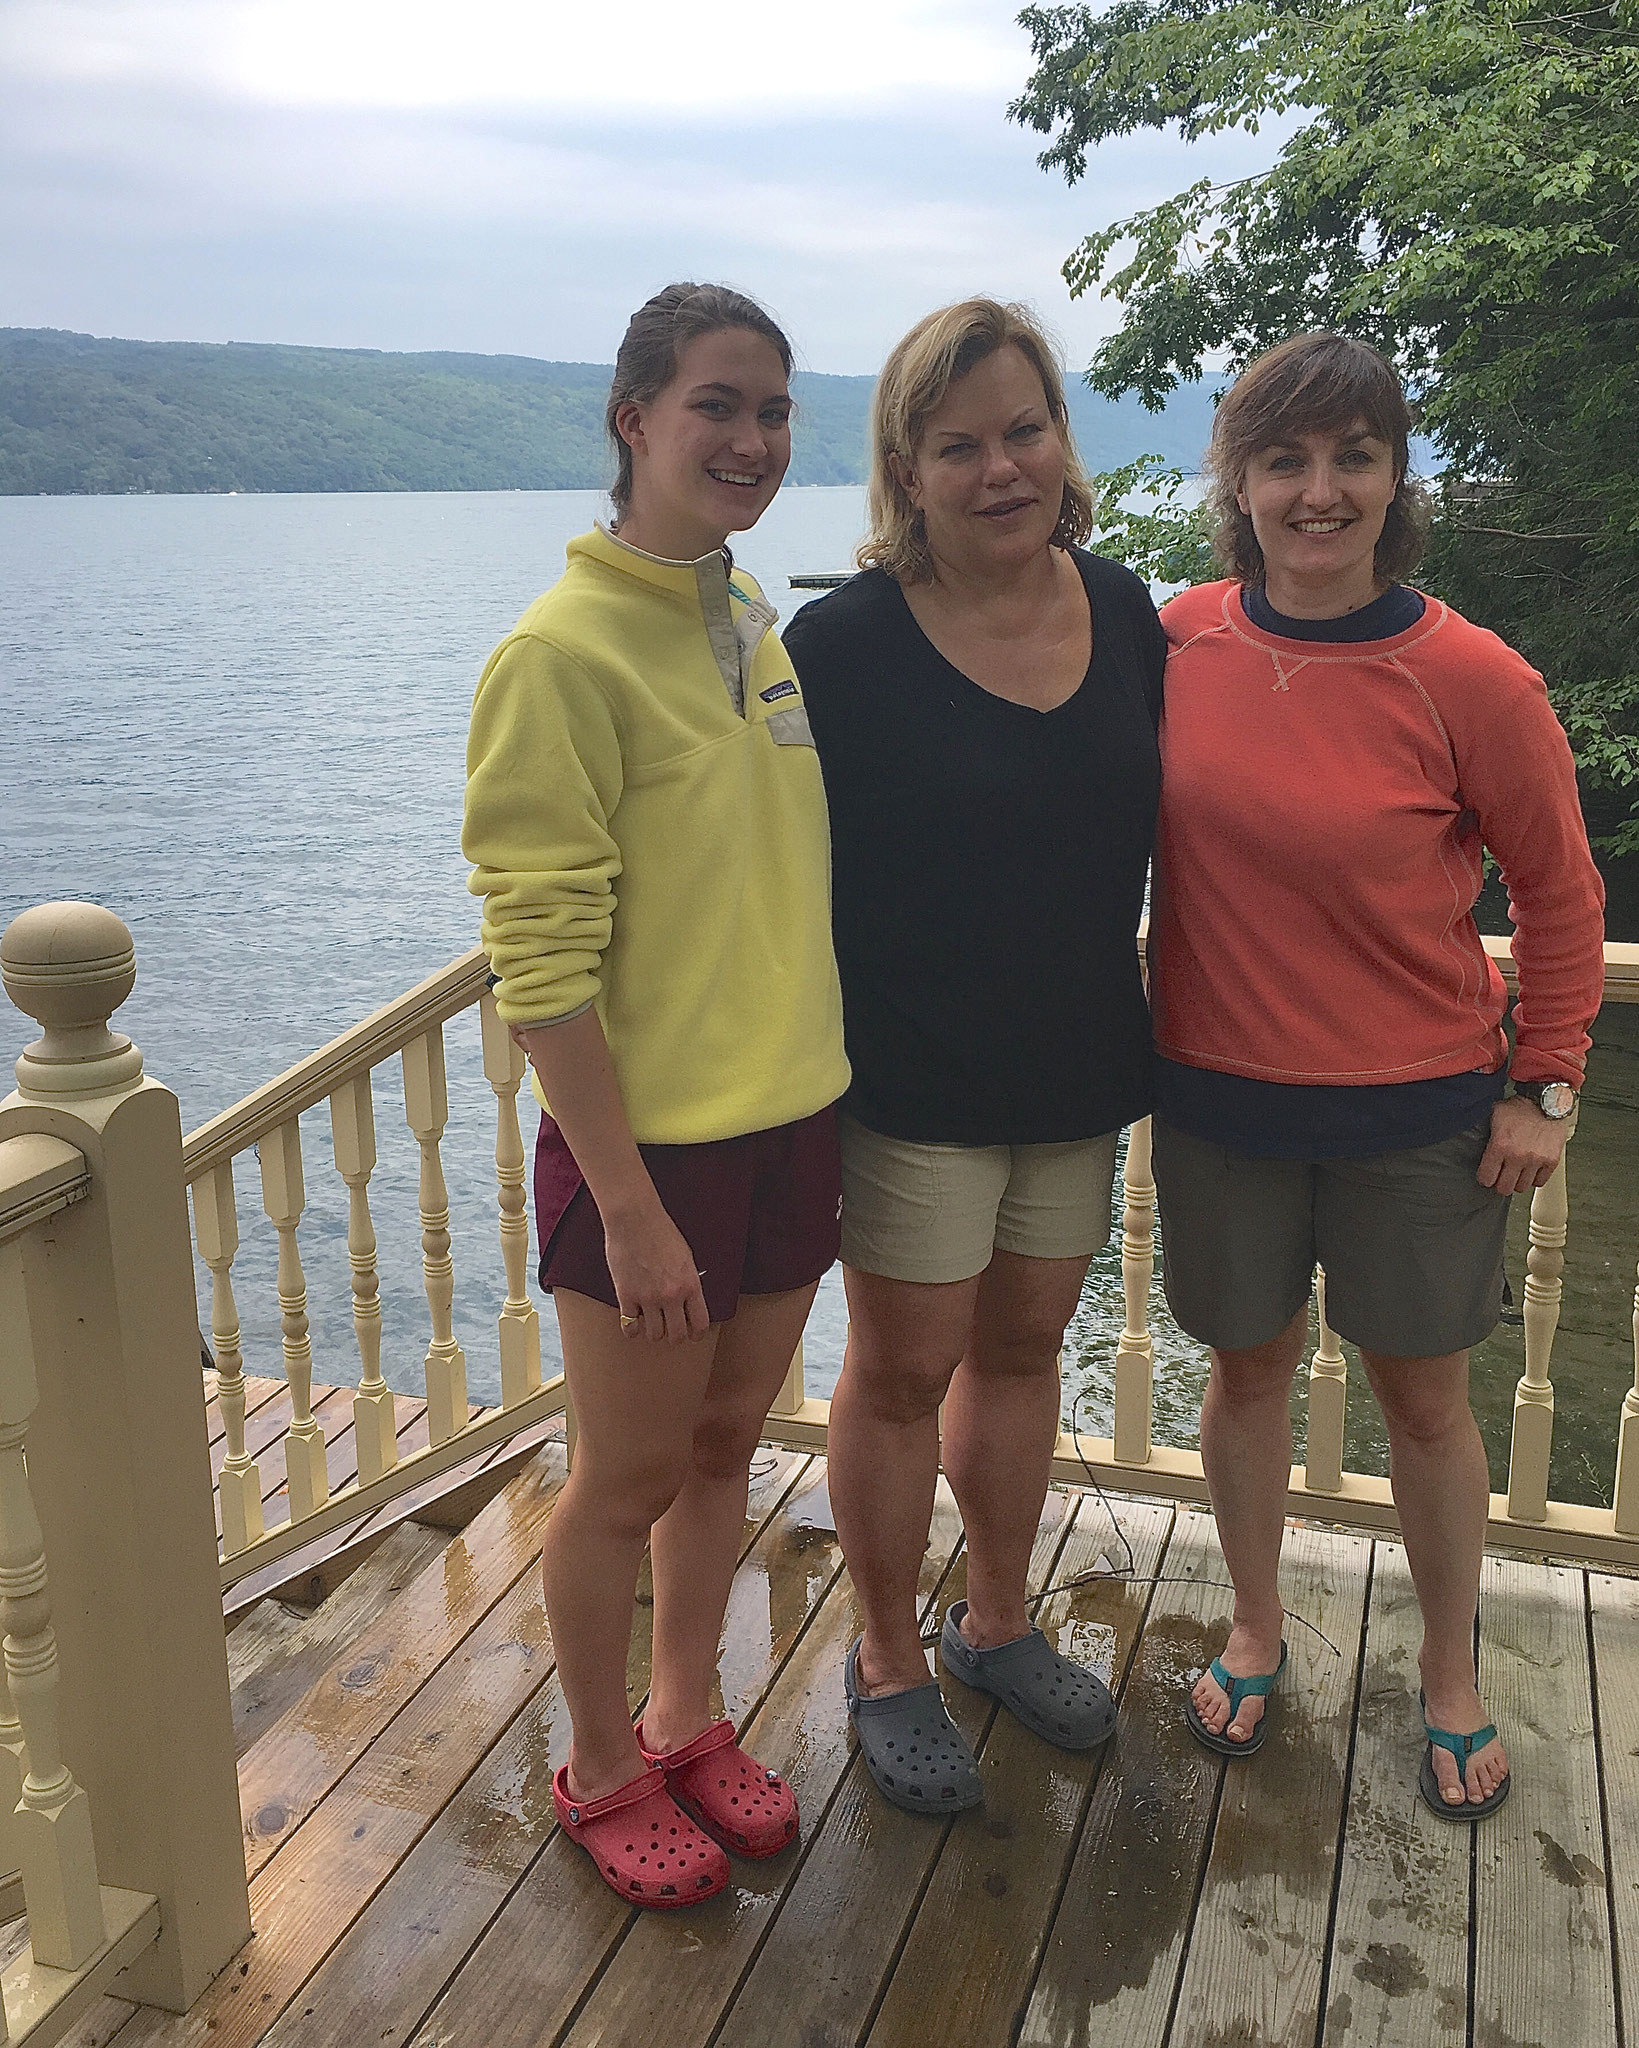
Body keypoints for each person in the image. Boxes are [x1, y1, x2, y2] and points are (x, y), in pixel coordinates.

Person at [1149, 332, 1606, 1817]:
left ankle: (1453, 1673)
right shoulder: (1177, 644)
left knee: (1427, 1405)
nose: (1319, 490)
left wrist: (1542, 1086)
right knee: (1247, 1375)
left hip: (1420, 1116)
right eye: (1284, 459)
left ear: (1398, 475)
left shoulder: (1472, 674)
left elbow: (1561, 894)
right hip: (1220, 1105)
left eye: (1353, 456)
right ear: (1238, 479)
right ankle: (1259, 1623)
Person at [462, 283, 850, 1906]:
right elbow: (537, 959)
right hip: (653, 1156)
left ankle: (688, 1713)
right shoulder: (557, 656)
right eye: (717, 406)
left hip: (793, 1114)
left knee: (725, 1449)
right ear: (633, 418)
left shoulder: (747, 614)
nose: (752, 439)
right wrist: (621, 1203)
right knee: (622, 1476)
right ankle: (601, 1756)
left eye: (772, 411)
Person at [784, 299, 1166, 1812]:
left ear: (1063, 441)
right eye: (959, 444)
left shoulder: (1129, 607)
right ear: (907, 467)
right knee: (895, 1374)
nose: (998, 467)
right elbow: (756, 859)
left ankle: (995, 1623)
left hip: (1077, 1070)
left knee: (1021, 1356)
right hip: (913, 1084)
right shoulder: (844, 645)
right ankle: (885, 1660)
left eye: (1023, 431)